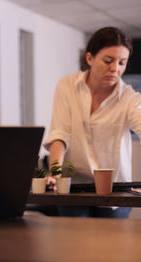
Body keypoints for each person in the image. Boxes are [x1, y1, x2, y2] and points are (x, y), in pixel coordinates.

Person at [44, 27, 141, 218]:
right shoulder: (68, 86)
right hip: (75, 187)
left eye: (122, 63)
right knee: (75, 245)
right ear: (90, 58)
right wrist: (54, 174)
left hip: (114, 191)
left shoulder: (129, 98)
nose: (115, 68)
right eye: (108, 61)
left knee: (111, 246)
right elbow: (60, 134)